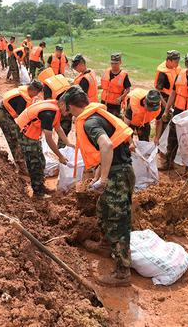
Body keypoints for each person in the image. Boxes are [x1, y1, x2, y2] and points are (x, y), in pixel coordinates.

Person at [61, 85, 135, 286]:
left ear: (70, 106)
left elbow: (107, 145)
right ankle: (105, 244)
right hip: (120, 171)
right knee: (103, 210)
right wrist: (99, 175)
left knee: (118, 221)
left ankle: (122, 272)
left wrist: (103, 178)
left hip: (117, 175)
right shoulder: (98, 114)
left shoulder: (90, 122)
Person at [15, 99, 73, 197]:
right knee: (35, 164)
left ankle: (40, 187)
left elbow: (58, 128)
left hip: (32, 133)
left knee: (41, 161)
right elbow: (49, 139)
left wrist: (68, 143)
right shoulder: (49, 114)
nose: (67, 114)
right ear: (62, 104)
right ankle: (38, 194)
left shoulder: (56, 110)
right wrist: (60, 156)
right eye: (67, 111)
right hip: (25, 134)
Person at [0, 81, 44, 171]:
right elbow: (22, 118)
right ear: (33, 90)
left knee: (18, 137)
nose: (36, 95)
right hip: (3, 116)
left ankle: (22, 160)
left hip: (6, 114)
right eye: (37, 93)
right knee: (15, 139)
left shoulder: (25, 91)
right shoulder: (22, 99)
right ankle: (21, 166)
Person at [40, 72, 71, 148]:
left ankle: (59, 150)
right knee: (64, 129)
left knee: (58, 127)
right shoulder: (60, 79)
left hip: (60, 108)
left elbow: (47, 101)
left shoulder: (47, 85)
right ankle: (62, 147)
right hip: (70, 107)